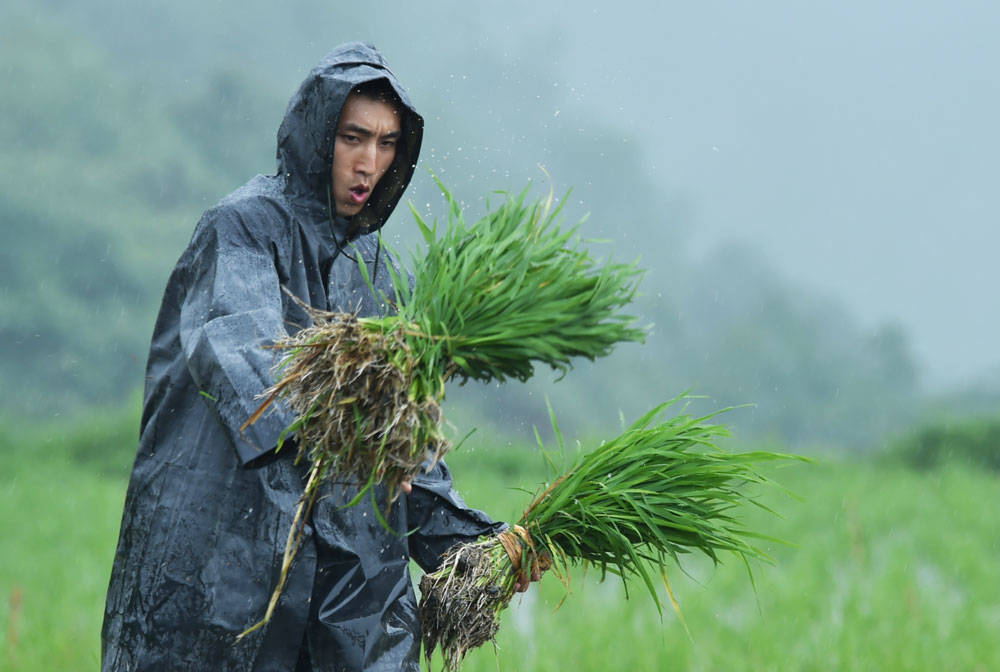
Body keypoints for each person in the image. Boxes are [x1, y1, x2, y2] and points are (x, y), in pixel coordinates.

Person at [102, 42, 513, 671]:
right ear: (320, 138)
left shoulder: (382, 277)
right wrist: (363, 431)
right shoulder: (239, 231)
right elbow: (252, 371)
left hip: (345, 608)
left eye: (386, 144)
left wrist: (483, 548)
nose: (368, 163)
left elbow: (407, 451)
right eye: (354, 138)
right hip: (225, 581)